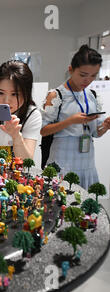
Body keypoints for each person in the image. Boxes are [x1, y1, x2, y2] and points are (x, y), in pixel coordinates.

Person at [40, 45, 110, 189]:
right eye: (83, 75)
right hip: (62, 159)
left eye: (93, 75)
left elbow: (95, 133)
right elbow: (43, 130)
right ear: (71, 69)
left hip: (87, 160)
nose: (88, 80)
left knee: (86, 206)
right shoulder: (56, 95)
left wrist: (106, 126)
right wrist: (70, 121)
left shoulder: (92, 95)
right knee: (60, 204)